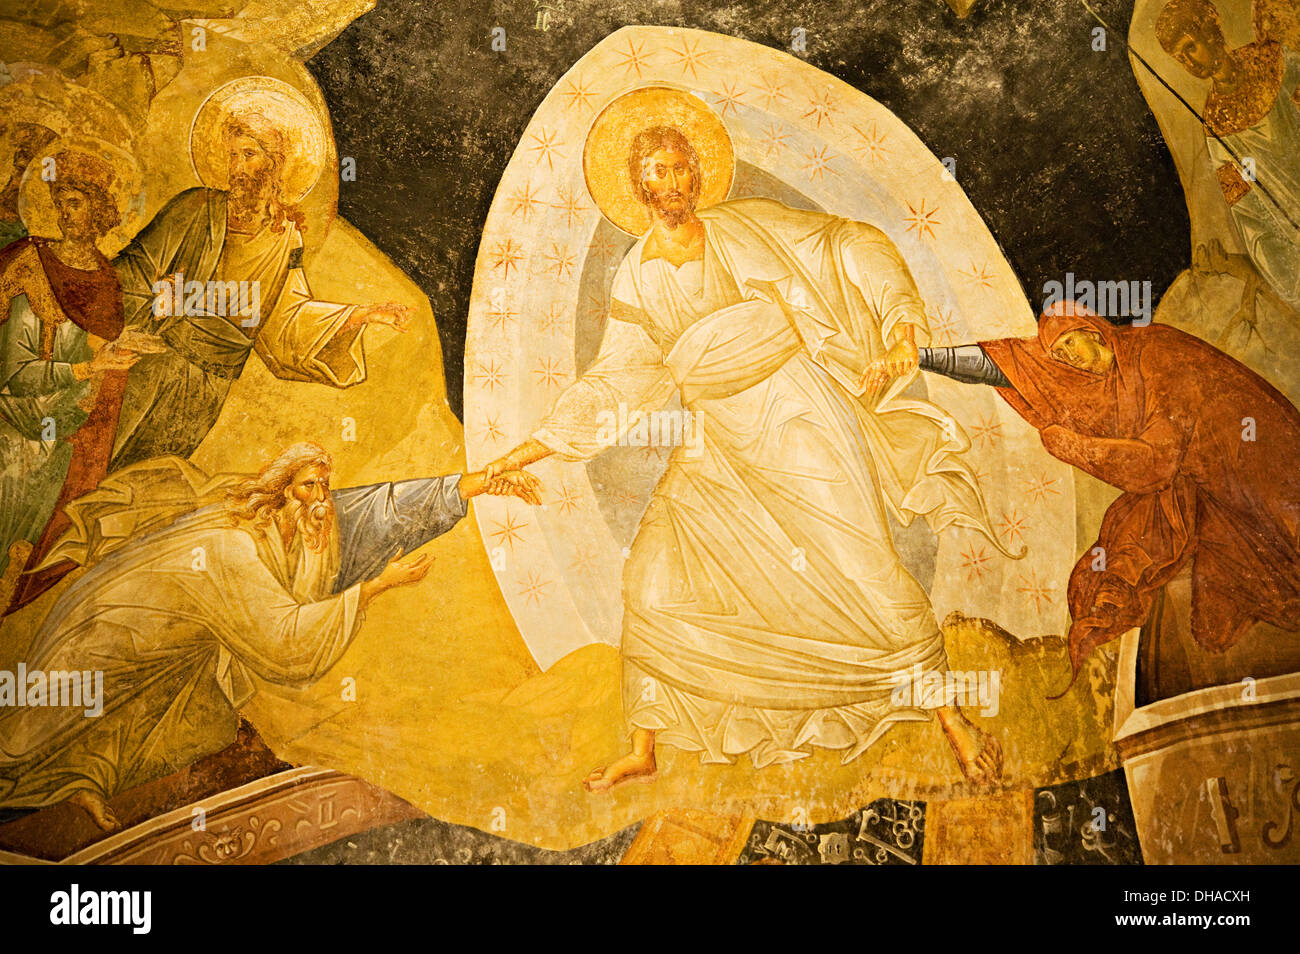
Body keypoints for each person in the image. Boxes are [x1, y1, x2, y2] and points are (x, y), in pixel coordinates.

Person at [488, 122, 1009, 791]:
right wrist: (525, 454)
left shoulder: (747, 229)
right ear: (636, 184)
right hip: (717, 437)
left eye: (682, 166)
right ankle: (646, 746)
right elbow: (614, 383)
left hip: (797, 412)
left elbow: (848, 243)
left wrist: (900, 323)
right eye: (657, 170)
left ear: (700, 174)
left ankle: (955, 727)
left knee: (863, 566)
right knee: (652, 572)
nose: (672, 180)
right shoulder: (637, 277)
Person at [0, 442, 540, 831]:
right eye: (308, 487)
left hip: (174, 647)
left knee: (168, 721)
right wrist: (373, 588)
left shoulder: (306, 530)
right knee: (30, 730)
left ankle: (78, 781)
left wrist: (477, 482)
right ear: (279, 492)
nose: (321, 500)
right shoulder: (238, 549)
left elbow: (385, 511)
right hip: (113, 625)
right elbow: (283, 642)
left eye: (325, 488)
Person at [869, 299, 1300, 680]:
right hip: (1202, 483)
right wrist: (922, 356)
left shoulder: (1157, 354)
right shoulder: (1101, 372)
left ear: (1095, 331)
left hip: (1254, 458)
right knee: (1200, 604)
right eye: (1058, 354)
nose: (1069, 360)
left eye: (1072, 344)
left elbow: (1157, 463)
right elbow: (1003, 365)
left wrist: (1073, 445)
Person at [108, 108, 411, 470]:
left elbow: (285, 321)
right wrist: (172, 299)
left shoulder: (285, 239)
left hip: (210, 384)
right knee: (105, 459)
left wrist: (361, 315)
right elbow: (130, 273)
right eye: (232, 155)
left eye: (248, 155)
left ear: (273, 164)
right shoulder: (193, 208)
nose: (236, 167)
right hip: (157, 360)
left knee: (146, 475)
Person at [0, 146, 160, 614]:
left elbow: (97, 360)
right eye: (60, 201)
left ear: (100, 210)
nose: (64, 213)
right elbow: (15, 364)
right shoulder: (31, 259)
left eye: (75, 202)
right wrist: (93, 360)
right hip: (15, 421)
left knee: (29, 534)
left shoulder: (109, 280)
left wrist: (115, 352)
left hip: (64, 430)